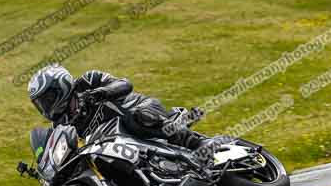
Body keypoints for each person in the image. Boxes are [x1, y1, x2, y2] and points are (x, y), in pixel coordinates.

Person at [27, 65, 213, 155]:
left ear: (61, 86)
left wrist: (101, 93)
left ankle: (195, 143)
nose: (46, 106)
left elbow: (125, 84)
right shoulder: (59, 124)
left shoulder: (88, 81)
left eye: (48, 98)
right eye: (40, 103)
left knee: (138, 117)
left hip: (140, 109)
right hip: (119, 145)